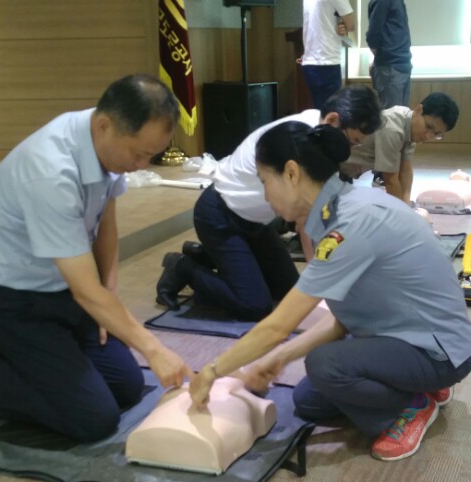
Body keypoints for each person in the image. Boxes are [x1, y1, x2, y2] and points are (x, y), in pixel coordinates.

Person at [188, 122, 471, 461]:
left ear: (292, 173)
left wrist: (211, 371)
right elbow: (343, 319)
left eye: (265, 182)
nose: (265, 196)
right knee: (309, 401)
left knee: (325, 366)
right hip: (403, 332)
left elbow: (277, 327)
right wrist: (278, 358)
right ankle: (419, 384)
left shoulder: (349, 225)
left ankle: (412, 404)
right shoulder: (341, 206)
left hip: (439, 350)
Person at [0, 74, 195, 442]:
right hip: (16, 301)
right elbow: (86, 291)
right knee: (94, 419)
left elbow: (105, 221)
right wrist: (153, 348)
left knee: (127, 386)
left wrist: (109, 297)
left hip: (67, 290)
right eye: (138, 154)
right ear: (104, 126)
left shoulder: (107, 141)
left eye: (150, 155)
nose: (141, 165)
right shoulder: (50, 171)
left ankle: (35, 361)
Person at [155, 86, 383, 321]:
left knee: (286, 291)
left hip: (256, 224)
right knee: (254, 306)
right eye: (353, 141)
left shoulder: (319, 135)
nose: (350, 150)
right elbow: (306, 218)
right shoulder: (300, 139)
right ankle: (183, 267)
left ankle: (205, 255)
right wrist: (318, 278)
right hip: (220, 216)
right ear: (333, 120)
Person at [340, 92, 459, 203]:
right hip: (333, 170)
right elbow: (390, 180)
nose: (428, 136)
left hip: (344, 175)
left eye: (436, 134)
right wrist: (402, 212)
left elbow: (405, 171)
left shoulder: (410, 125)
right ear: (418, 110)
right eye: (428, 126)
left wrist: (406, 206)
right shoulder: (393, 129)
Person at [301, 0, 356, 110]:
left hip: (309, 61)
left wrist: (340, 23)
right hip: (327, 60)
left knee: (319, 111)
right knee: (331, 112)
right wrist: (342, 24)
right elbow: (351, 25)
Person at [367, 0, 413, 108]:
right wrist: (380, 57)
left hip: (400, 65)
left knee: (401, 115)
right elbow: (373, 35)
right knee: (392, 116)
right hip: (390, 67)